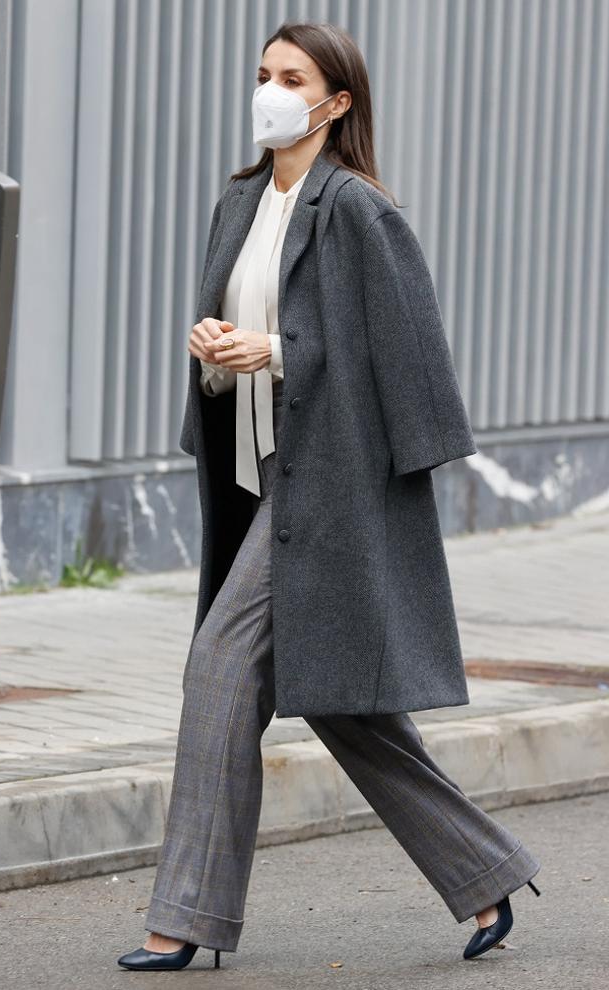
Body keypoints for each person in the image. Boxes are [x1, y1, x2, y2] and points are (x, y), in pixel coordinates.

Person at [117, 20, 541, 973]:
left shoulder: (359, 211)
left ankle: (182, 919)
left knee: (220, 668)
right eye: (263, 72)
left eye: (291, 76)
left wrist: (278, 352)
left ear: (335, 102)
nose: (269, 88)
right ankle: (486, 870)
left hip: (332, 489)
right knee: (341, 697)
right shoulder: (239, 203)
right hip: (262, 479)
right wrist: (222, 359)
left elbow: (409, 369)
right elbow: (245, 345)